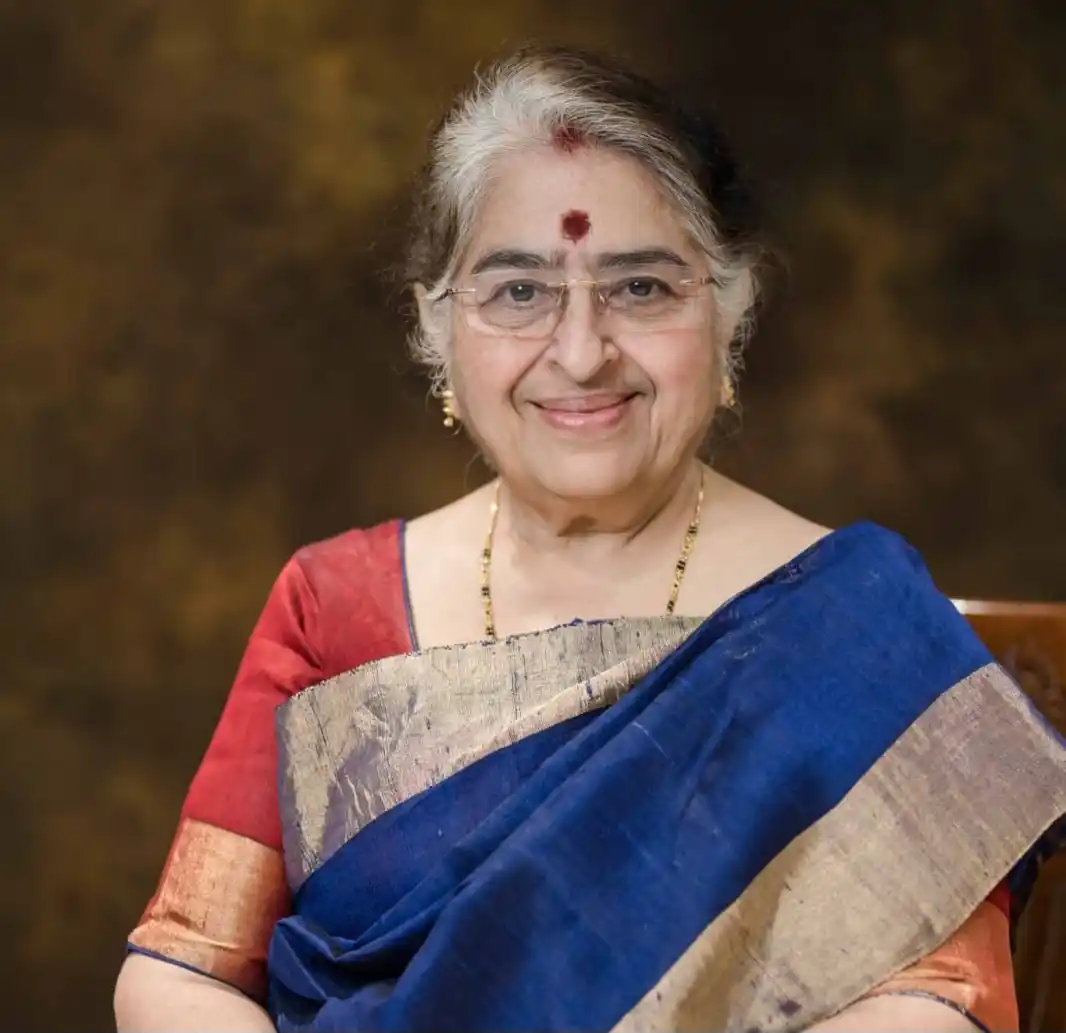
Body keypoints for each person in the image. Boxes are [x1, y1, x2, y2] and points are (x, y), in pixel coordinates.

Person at [114, 45, 1066, 1033]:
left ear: (729, 312)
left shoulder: (858, 632)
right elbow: (178, 970)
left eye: (641, 288)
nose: (580, 354)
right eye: (519, 292)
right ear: (437, 330)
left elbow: (934, 1006)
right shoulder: (334, 605)